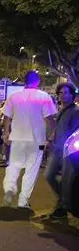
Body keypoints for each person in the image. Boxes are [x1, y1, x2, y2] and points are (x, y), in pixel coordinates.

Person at [2, 71, 58, 209]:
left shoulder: (14, 97)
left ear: (24, 81)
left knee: (14, 165)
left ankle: (9, 188)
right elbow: (50, 119)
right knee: (31, 170)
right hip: (36, 139)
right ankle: (23, 200)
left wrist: (7, 133)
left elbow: (6, 118)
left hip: (17, 138)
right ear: (37, 81)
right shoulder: (44, 96)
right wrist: (52, 136)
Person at [44, 83, 79, 218]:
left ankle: (63, 206)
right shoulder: (61, 110)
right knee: (49, 175)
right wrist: (50, 140)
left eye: (65, 92)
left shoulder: (75, 112)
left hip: (68, 152)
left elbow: (74, 132)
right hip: (56, 149)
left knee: (65, 180)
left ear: (72, 95)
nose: (62, 95)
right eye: (60, 93)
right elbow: (58, 128)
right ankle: (64, 202)